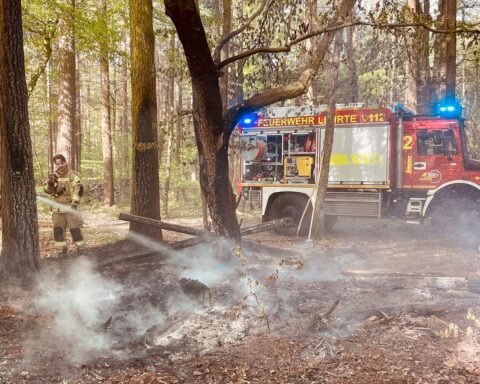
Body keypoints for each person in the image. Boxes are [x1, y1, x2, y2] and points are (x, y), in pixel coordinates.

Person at [44, 154, 85, 256]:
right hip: (57, 209)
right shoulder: (53, 176)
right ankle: (61, 250)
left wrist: (74, 203)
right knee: (58, 230)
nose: (60, 165)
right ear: (55, 164)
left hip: (70, 207)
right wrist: (50, 183)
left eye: (62, 163)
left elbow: (78, 189)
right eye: (57, 164)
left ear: (65, 162)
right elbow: (47, 191)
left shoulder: (72, 174)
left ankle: (81, 249)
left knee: (75, 229)